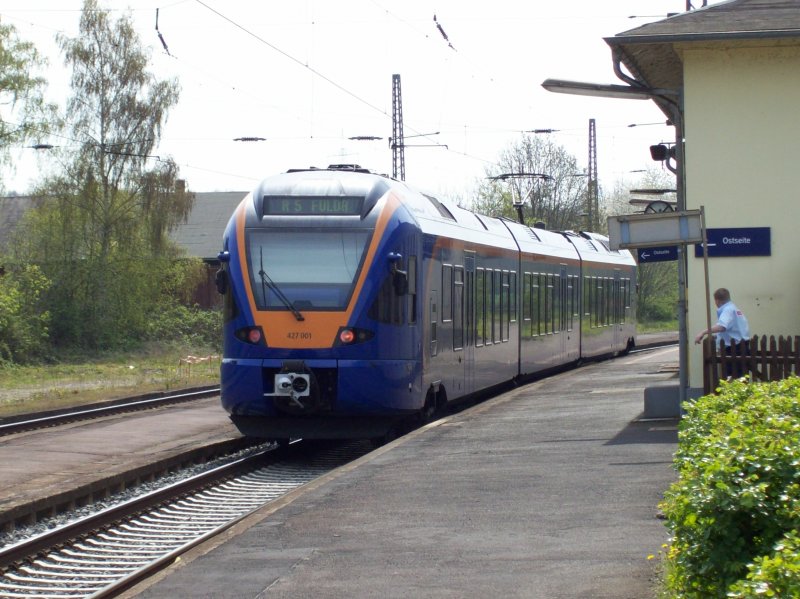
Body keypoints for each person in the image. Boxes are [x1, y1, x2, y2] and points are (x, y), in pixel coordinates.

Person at [694, 287, 750, 377]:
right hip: (742, 346)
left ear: (716, 300)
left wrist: (703, 332)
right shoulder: (734, 309)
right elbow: (731, 329)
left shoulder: (727, 310)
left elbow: (721, 327)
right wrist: (718, 337)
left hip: (734, 349)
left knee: (734, 376)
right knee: (741, 376)